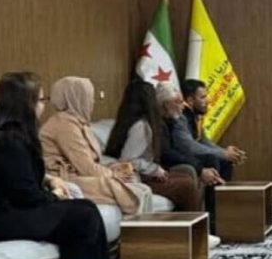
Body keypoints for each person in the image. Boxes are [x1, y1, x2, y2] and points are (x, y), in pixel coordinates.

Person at [0, 72, 109, 259]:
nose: (43, 106)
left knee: (86, 208)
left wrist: (49, 180)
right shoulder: (6, 139)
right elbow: (26, 196)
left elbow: (16, 176)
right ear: (26, 104)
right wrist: (56, 195)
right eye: (41, 100)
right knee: (83, 216)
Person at [40, 76, 150, 214]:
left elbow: (91, 162)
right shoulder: (64, 125)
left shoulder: (77, 123)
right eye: (88, 97)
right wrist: (112, 174)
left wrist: (111, 168)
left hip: (81, 175)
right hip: (65, 180)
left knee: (141, 189)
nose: (92, 101)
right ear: (76, 98)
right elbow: (86, 167)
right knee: (133, 191)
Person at [104, 80, 201, 212]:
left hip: (140, 175)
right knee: (186, 185)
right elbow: (128, 161)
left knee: (185, 176)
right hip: (137, 179)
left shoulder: (127, 121)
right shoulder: (141, 127)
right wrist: (154, 169)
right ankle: (195, 225)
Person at [155, 82, 224, 242]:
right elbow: (167, 153)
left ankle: (211, 223)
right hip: (156, 170)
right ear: (166, 104)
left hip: (165, 167)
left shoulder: (172, 119)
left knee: (214, 160)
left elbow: (200, 141)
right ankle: (197, 234)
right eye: (178, 102)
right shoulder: (158, 123)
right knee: (188, 182)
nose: (182, 107)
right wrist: (200, 169)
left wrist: (223, 153)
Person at [180, 78, 245, 181]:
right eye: (203, 97)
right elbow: (190, 146)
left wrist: (225, 153)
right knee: (211, 159)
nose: (208, 100)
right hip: (180, 156)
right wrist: (223, 154)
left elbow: (202, 140)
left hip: (190, 154)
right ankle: (213, 192)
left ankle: (222, 191)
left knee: (225, 160)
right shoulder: (181, 117)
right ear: (190, 101)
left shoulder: (195, 116)